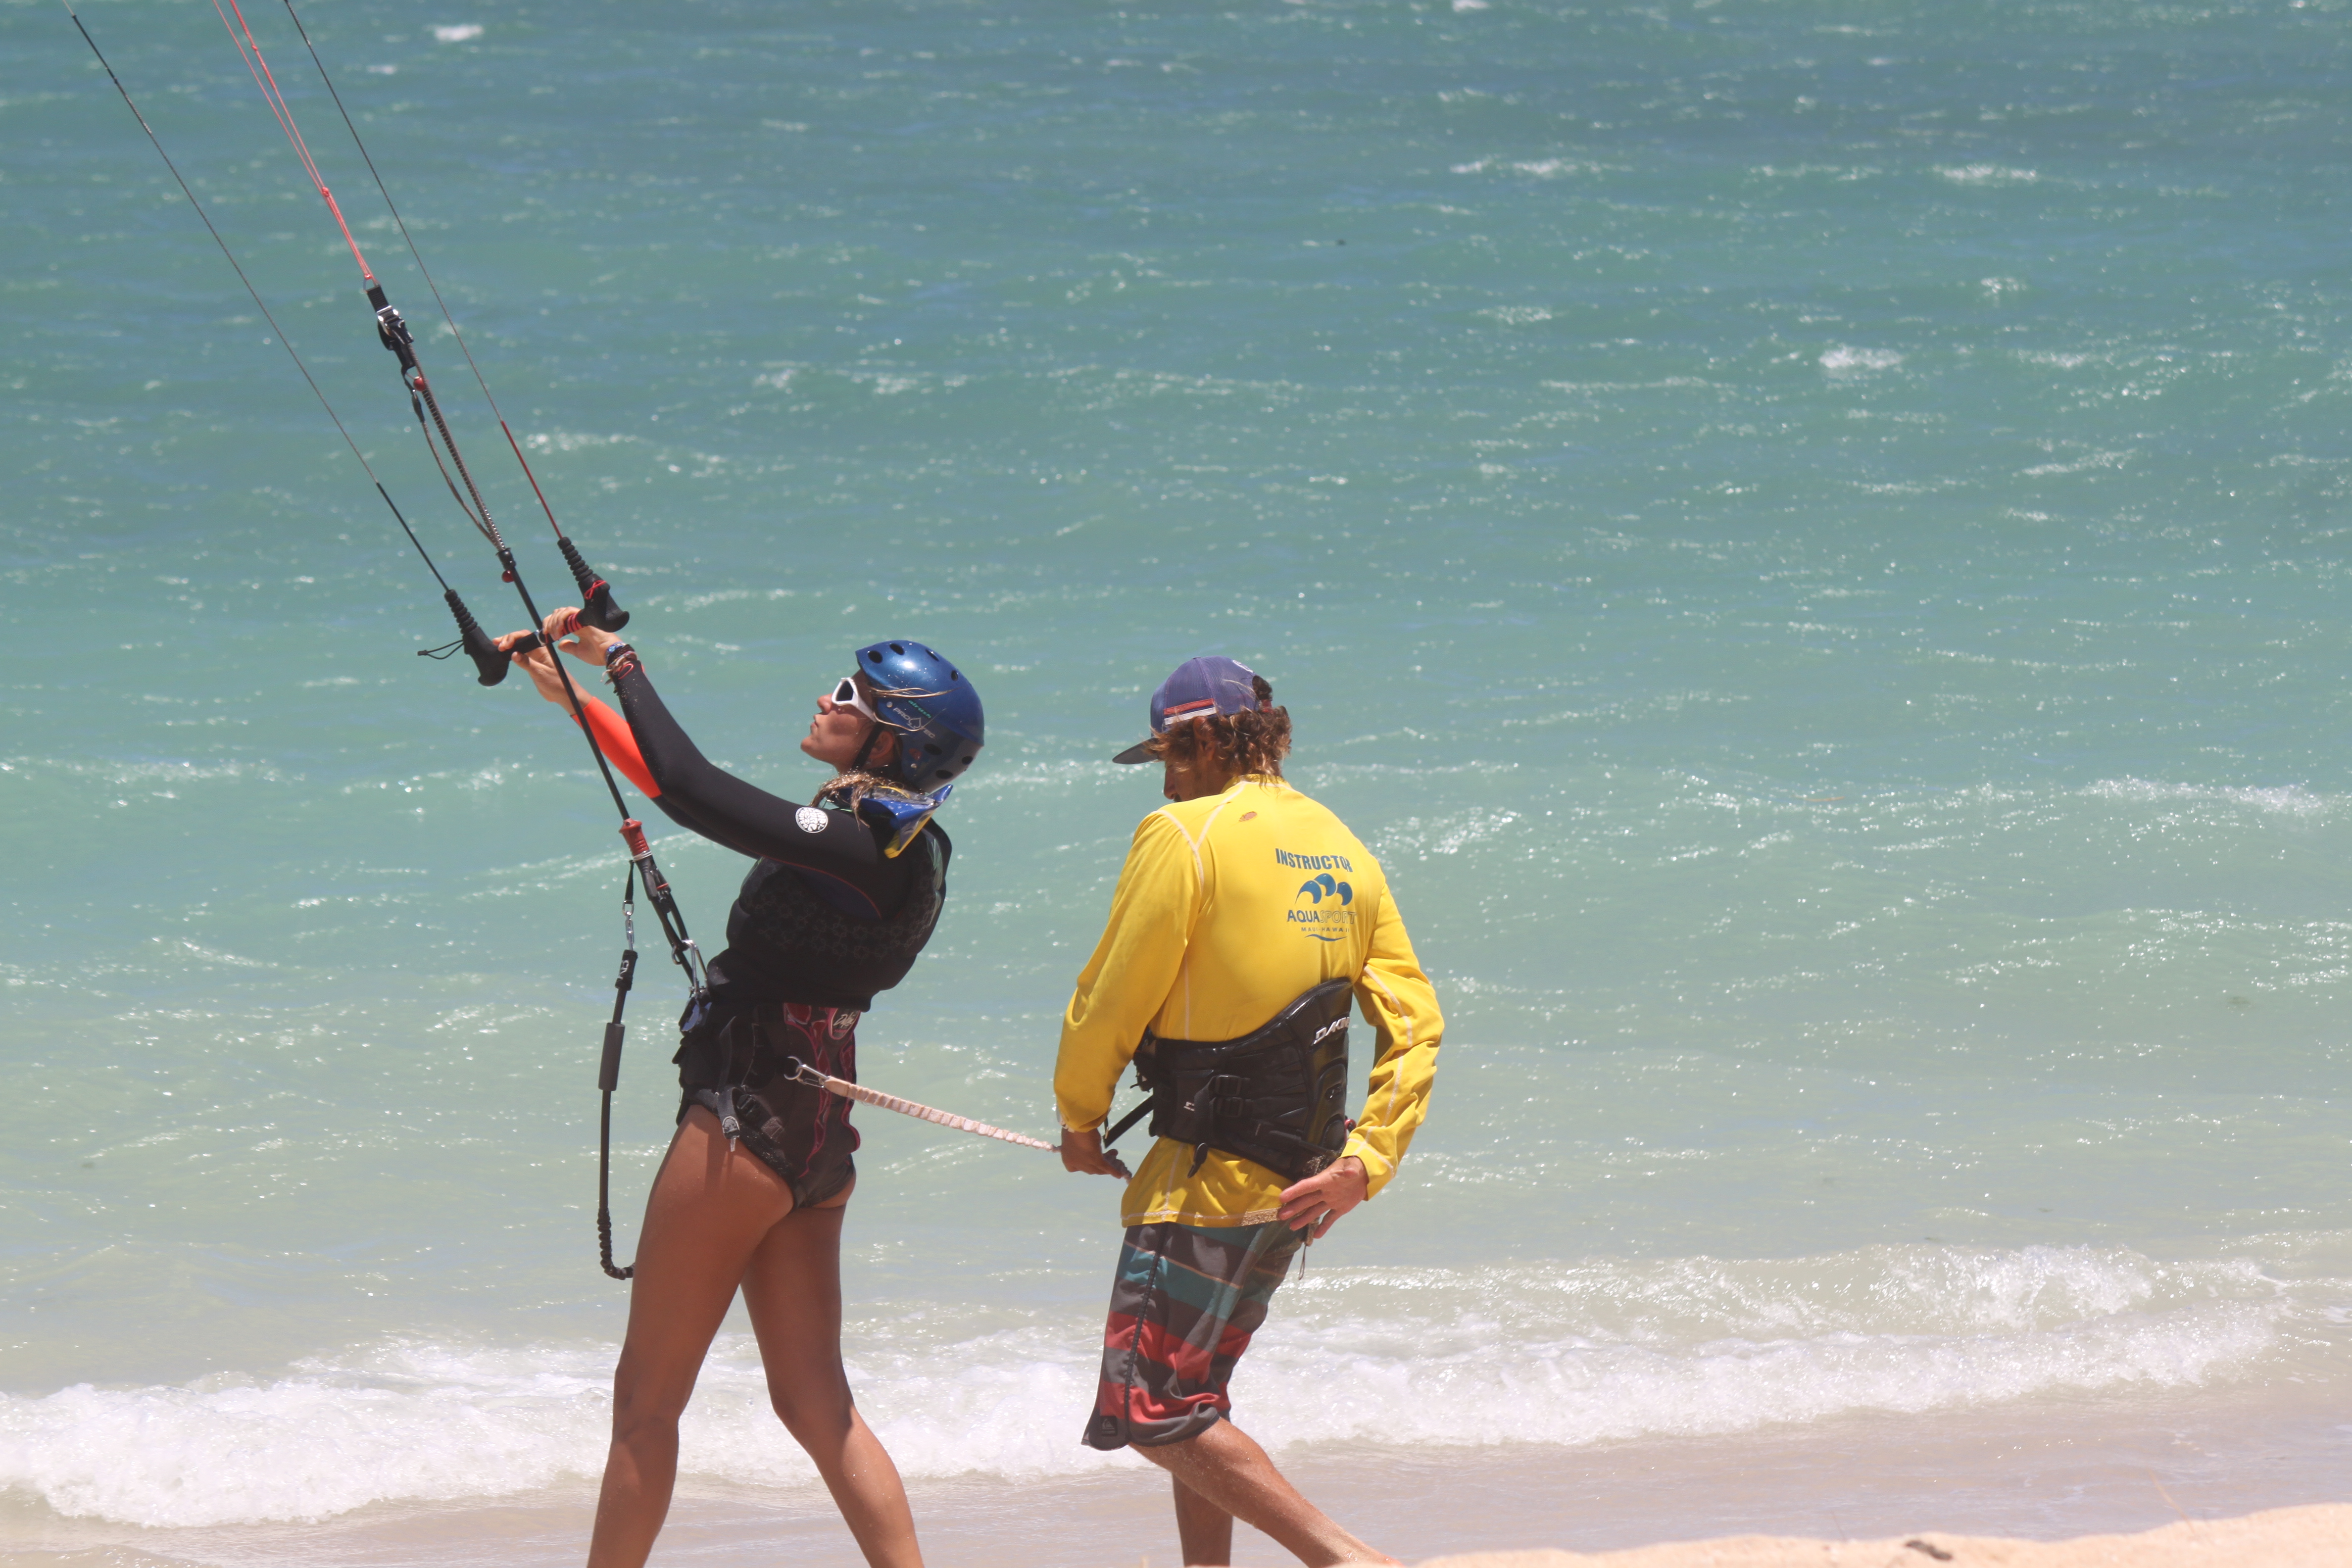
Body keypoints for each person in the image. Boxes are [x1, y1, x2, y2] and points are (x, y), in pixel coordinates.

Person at [501, 614, 984, 1568]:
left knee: (646, 1406)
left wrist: (626, 661)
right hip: (816, 1134)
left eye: (848, 696)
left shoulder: (861, 847)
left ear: (890, 740)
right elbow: (676, 783)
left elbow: (690, 792)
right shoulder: (904, 844)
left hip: (746, 1121)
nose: (824, 698)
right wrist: (569, 690)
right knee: (817, 1406)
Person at [1053, 655, 1444, 1568]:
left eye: (1170, 754)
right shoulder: (1345, 846)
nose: (1164, 777)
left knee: (1151, 1410)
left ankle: (1347, 1559)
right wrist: (1368, 1163)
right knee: (1198, 1399)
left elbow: (1110, 995)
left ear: (1203, 739)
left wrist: (1079, 1118)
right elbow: (1416, 1025)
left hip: (1204, 1181)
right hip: (1304, 1182)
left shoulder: (1183, 834)